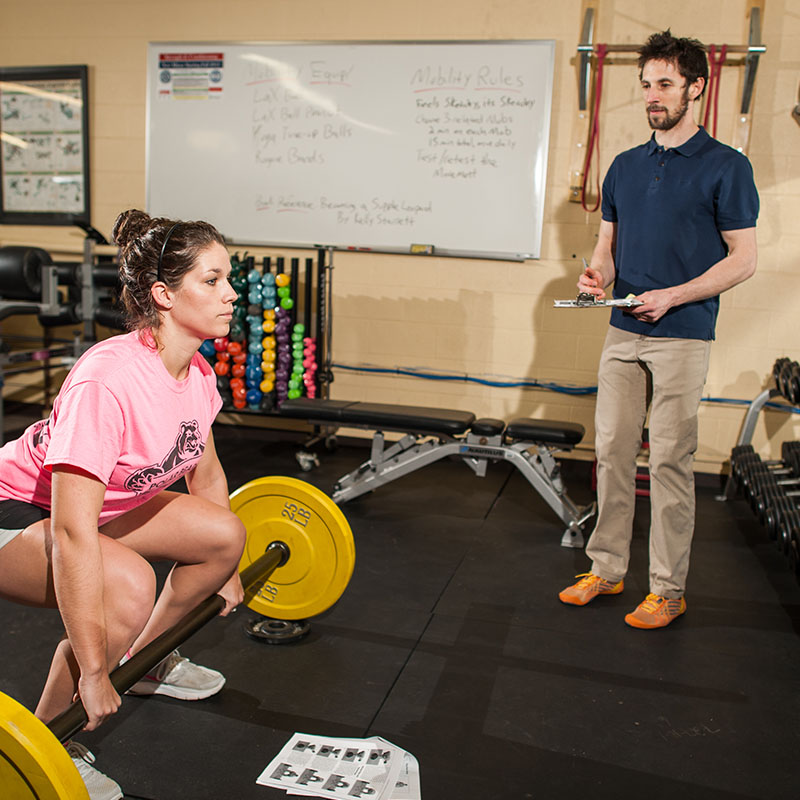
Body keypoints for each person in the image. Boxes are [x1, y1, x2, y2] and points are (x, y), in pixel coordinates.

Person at [0, 209, 246, 798]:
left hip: (87, 511)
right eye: (211, 281)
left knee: (224, 536)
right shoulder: (107, 381)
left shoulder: (196, 374)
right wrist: (91, 666)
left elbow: (205, 474)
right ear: (164, 294)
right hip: (16, 510)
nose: (231, 294)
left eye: (227, 277)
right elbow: (73, 533)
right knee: (129, 586)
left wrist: (228, 570)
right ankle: (46, 748)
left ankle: (145, 661)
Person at [558, 30, 759, 629]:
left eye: (665, 84)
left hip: (684, 331)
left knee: (670, 460)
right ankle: (607, 567)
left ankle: (668, 589)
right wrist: (595, 277)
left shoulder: (728, 167)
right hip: (622, 328)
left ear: (695, 88)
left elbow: (743, 259)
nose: (653, 95)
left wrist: (675, 294)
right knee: (614, 453)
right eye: (646, 84)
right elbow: (607, 246)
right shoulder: (623, 166)